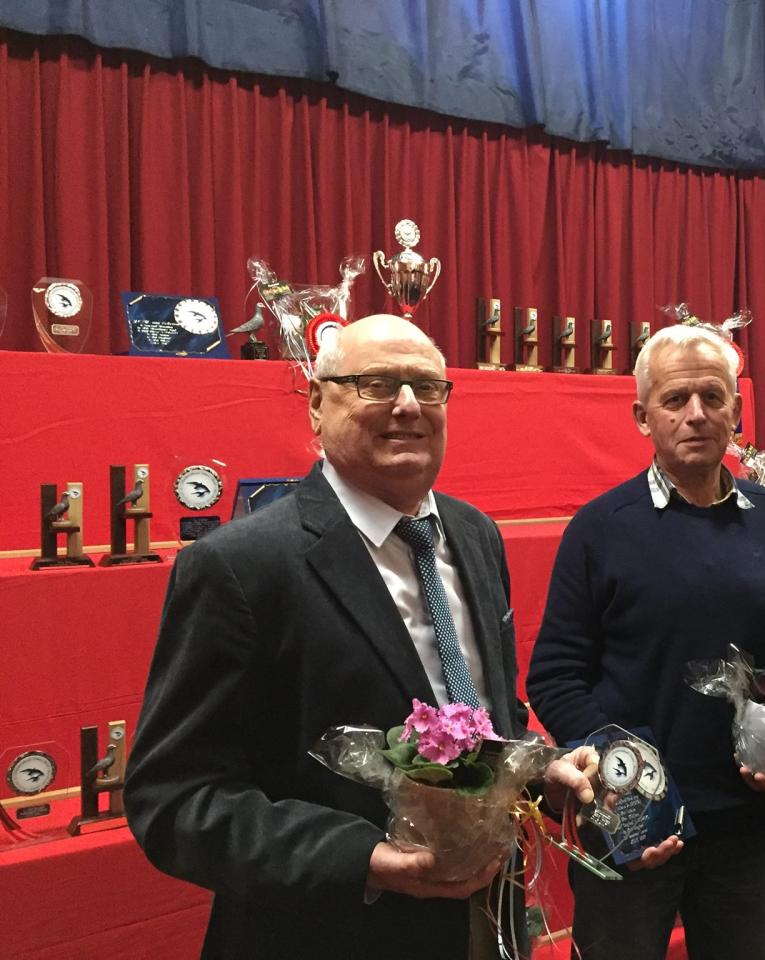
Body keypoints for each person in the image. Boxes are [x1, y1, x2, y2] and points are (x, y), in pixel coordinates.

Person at [125, 314, 594, 960]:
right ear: (317, 404)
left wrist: (540, 770)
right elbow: (174, 799)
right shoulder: (239, 566)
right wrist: (362, 859)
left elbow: (490, 716)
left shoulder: (476, 536)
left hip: (491, 921)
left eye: (427, 387)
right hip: (331, 933)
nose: (407, 405)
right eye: (376, 383)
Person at [526, 323, 765, 960]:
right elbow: (555, 675)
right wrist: (627, 785)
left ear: (736, 411)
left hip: (743, 822)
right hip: (629, 822)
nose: (696, 414)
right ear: (642, 417)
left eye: (712, 397)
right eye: (675, 399)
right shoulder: (599, 528)